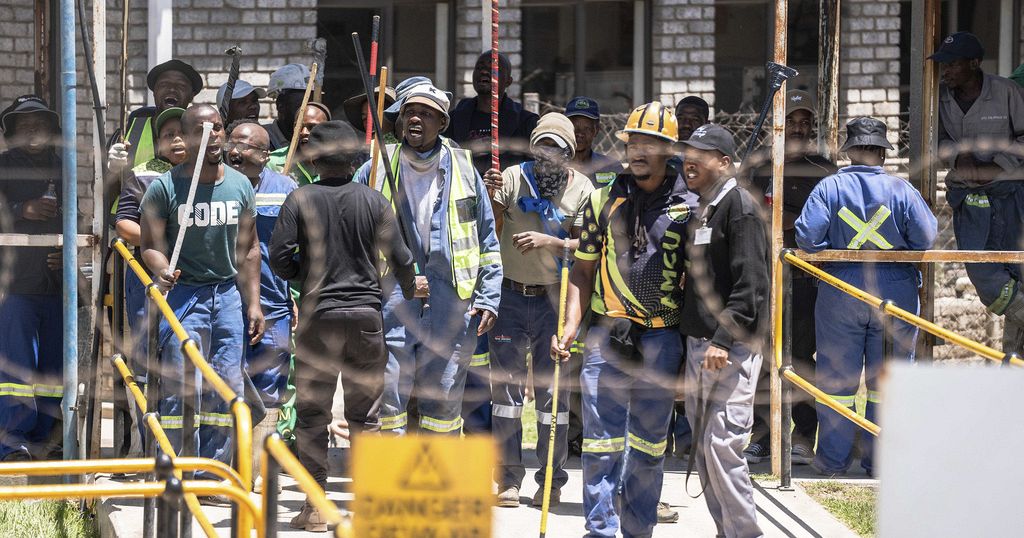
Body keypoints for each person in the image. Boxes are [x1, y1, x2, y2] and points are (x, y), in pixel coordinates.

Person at [552, 102, 698, 537]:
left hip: (662, 340)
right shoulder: (603, 199)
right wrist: (568, 327)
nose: (638, 150)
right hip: (607, 336)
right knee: (599, 446)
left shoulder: (690, 206)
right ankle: (599, 529)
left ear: (669, 149)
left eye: (649, 143)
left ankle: (639, 530)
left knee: (650, 448)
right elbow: (582, 271)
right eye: (633, 141)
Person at [269, 121, 416, 531]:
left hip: (318, 319)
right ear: (355, 160)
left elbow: (279, 258)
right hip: (367, 320)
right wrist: (401, 292)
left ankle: (316, 507)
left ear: (314, 159)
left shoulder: (300, 198)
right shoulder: (374, 201)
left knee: (313, 416)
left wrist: (307, 274)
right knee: (365, 416)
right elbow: (402, 258)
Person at [354, 81, 502, 436]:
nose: (415, 119)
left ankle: (437, 484)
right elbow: (355, 238)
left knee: (444, 398)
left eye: (426, 114)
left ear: (442, 123)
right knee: (389, 395)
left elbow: (487, 240)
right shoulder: (375, 168)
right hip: (393, 298)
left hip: (450, 301)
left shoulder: (464, 168)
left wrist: (489, 298)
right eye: (409, 112)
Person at [795, 117, 937, 476]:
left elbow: (808, 238)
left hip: (841, 288)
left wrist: (836, 249)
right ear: (882, 153)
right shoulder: (902, 190)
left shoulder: (830, 187)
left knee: (838, 382)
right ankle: (881, 461)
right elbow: (925, 238)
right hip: (894, 290)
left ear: (850, 150)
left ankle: (832, 461)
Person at [139, 104, 265, 492]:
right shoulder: (165, 187)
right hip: (184, 296)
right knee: (180, 385)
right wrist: (161, 268)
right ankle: (175, 471)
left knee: (226, 387)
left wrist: (254, 302)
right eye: (201, 129)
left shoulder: (240, 185)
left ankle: (215, 475)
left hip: (226, 294)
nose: (212, 135)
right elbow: (148, 245)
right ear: (186, 138)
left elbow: (251, 248)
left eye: (218, 127)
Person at [489, 113, 594, 508]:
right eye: (542, 147)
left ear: (570, 154)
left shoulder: (582, 189)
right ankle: (507, 479)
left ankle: (551, 480)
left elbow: (587, 247)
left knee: (555, 399)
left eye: (558, 150)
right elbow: (490, 229)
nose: (549, 156)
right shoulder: (513, 178)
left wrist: (551, 240)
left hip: (556, 296)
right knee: (506, 395)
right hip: (510, 297)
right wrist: (492, 194)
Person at [678, 123, 768, 538]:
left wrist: (722, 340)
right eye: (687, 153)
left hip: (727, 349)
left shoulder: (741, 208)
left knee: (723, 446)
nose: (688, 161)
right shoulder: (706, 207)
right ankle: (725, 531)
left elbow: (751, 286)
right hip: (700, 347)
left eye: (700, 154)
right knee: (704, 450)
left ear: (725, 162)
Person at [741, 89, 838, 466]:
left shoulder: (823, 169)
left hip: (805, 275)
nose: (797, 128)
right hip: (763, 273)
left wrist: (787, 224)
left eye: (804, 122)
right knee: (762, 355)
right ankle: (763, 434)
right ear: (776, 125)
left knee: (799, 355)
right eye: (790, 121)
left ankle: (801, 435)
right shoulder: (759, 165)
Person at [931, 31, 1024, 354]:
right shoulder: (939, 97)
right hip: (970, 198)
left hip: (1012, 195)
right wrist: (958, 155)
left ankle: (1014, 366)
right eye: (943, 65)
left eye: (953, 64)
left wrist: (1000, 165)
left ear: (974, 63)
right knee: (983, 272)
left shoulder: (1006, 92)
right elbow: (936, 141)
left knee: (1019, 273)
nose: (946, 71)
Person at [223, 120, 296, 477]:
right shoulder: (212, 184)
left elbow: (300, 249)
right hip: (222, 301)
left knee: (269, 391)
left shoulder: (285, 189)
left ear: (265, 156)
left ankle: (252, 474)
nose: (235, 152)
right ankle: (220, 470)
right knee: (224, 385)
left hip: (274, 304)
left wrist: (293, 295)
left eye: (246, 147)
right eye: (231, 143)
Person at [0, 95, 64, 462]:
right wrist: (19, 209)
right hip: (14, 287)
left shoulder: (62, 166)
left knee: (51, 371)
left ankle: (47, 442)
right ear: (11, 133)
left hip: (55, 286)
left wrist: (67, 253)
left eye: (39, 123)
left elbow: (77, 217)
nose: (33, 130)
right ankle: (13, 445)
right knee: (15, 371)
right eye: (24, 125)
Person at [114, 106, 187, 386]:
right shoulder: (143, 174)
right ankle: (148, 423)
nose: (177, 140)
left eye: (183, 133)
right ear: (158, 142)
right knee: (149, 350)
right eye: (169, 134)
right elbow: (124, 225)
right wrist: (161, 239)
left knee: (184, 351)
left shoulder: (208, 174)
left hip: (195, 275)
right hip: (149, 276)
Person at [445, 51, 539, 176]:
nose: (484, 71)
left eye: (493, 68)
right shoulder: (454, 119)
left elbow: (534, 169)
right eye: (479, 67)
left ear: (508, 81)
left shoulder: (526, 122)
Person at [108, 59, 203, 172]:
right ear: (154, 92)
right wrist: (112, 168)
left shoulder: (199, 135)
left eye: (181, 86)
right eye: (163, 84)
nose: (172, 89)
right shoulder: (128, 131)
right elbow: (102, 184)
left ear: (191, 95)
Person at [266, 101, 331, 185]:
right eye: (299, 127)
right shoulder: (272, 164)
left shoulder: (337, 165)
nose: (304, 132)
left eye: (312, 127)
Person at [564, 96, 622, 187]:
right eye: (575, 127)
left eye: (586, 128)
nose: (580, 133)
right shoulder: (555, 167)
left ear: (596, 130)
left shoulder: (611, 167)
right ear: (566, 128)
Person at [263, 63, 312, 150]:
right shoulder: (262, 138)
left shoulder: (314, 139)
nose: (307, 112)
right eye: (301, 106)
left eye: (310, 105)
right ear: (280, 106)